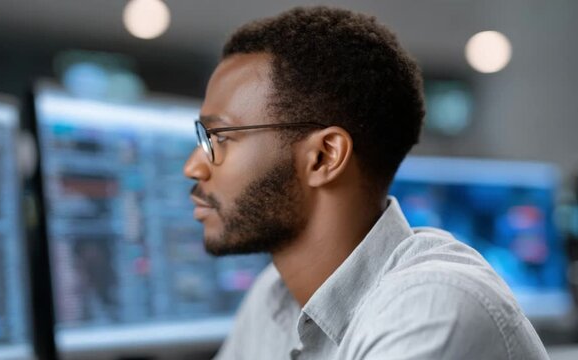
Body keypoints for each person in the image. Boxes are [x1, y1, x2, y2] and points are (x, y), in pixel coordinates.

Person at [183, 6, 548, 360]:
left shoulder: (433, 307)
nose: (193, 167)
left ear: (324, 157)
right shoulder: (274, 297)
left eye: (219, 137)